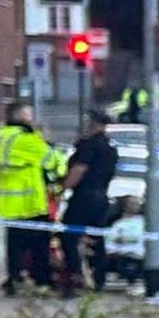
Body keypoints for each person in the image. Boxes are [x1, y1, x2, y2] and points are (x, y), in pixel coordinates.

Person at [56, 114, 118, 293]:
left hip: (84, 197)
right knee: (97, 238)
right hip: (101, 197)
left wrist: (63, 188)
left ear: (94, 124)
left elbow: (79, 169)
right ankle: (99, 279)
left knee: (68, 236)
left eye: (88, 122)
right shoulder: (110, 146)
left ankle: (74, 277)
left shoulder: (88, 145)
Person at [0, 100, 54, 293]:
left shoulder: (0, 136)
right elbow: (53, 161)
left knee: (14, 244)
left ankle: (14, 279)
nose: (32, 119)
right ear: (20, 117)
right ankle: (42, 281)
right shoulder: (27, 139)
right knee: (40, 244)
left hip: (8, 202)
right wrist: (42, 139)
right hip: (31, 201)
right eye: (29, 115)